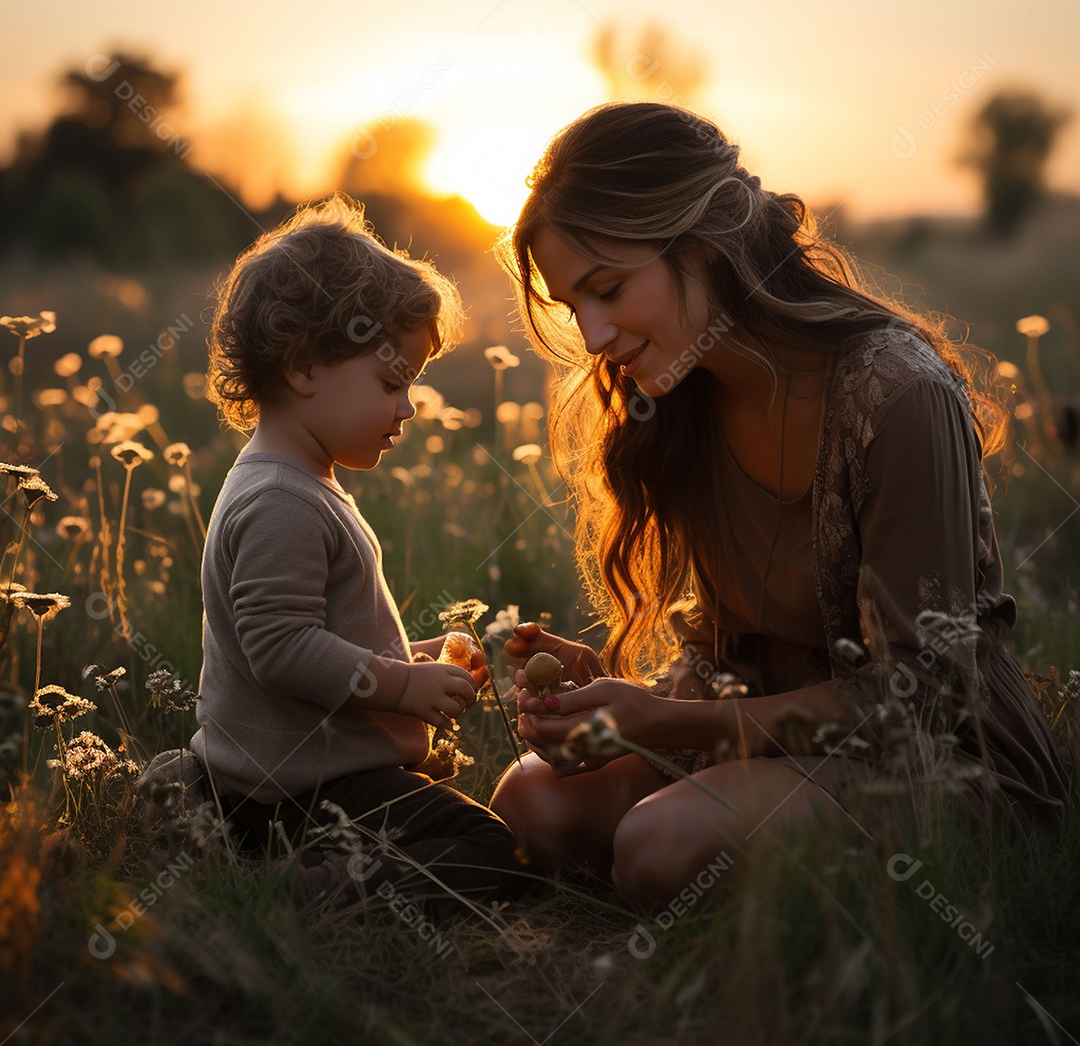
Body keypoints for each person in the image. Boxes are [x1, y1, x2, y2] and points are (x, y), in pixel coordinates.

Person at [488, 102, 1069, 907]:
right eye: (572, 305)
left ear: (704, 245)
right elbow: (735, 657)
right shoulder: (680, 400)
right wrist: (622, 698)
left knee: (660, 846)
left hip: (931, 762)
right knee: (531, 803)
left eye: (609, 289)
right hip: (764, 741)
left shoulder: (897, 398)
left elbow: (915, 703)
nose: (591, 335)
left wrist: (661, 725)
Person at [191, 194, 522, 908]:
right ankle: (313, 890)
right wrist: (402, 689)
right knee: (498, 849)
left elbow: (318, 636)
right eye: (390, 382)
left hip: (274, 778)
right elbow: (280, 646)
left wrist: (416, 660)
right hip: (308, 789)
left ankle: (209, 813)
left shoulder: (289, 482)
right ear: (306, 367)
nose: (407, 408)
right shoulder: (281, 501)